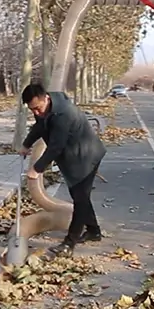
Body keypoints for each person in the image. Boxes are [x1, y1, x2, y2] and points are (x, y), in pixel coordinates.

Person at [19, 82, 106, 257]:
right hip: (73, 156)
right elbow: (39, 126)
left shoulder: (63, 114)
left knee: (80, 199)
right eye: (32, 110)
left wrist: (37, 168)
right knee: (80, 196)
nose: (36, 113)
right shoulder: (45, 108)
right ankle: (94, 231)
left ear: (46, 98)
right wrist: (26, 144)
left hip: (86, 156)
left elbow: (55, 147)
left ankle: (69, 244)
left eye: (38, 108)